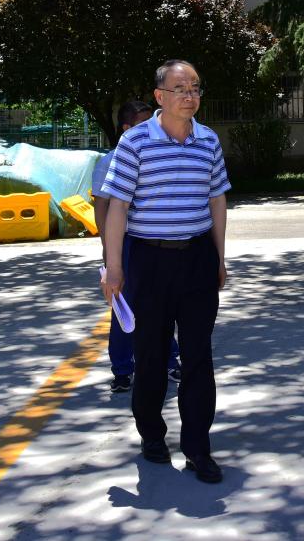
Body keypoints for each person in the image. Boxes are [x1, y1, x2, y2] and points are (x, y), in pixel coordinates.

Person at [100, 60, 231, 483]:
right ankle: (152, 435)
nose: (190, 96)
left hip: (197, 259)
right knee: (151, 354)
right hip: (148, 260)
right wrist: (114, 266)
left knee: (198, 355)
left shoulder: (208, 140)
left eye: (195, 88)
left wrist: (219, 257)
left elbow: (216, 200)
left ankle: (198, 448)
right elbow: (118, 206)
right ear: (160, 96)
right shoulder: (135, 142)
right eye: (180, 89)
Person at [92, 100, 182, 393]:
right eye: (143, 123)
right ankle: (122, 369)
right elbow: (102, 208)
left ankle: (170, 359)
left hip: (154, 241)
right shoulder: (110, 161)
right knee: (124, 305)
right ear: (126, 128)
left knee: (161, 304)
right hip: (126, 243)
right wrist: (109, 250)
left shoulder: (159, 154)